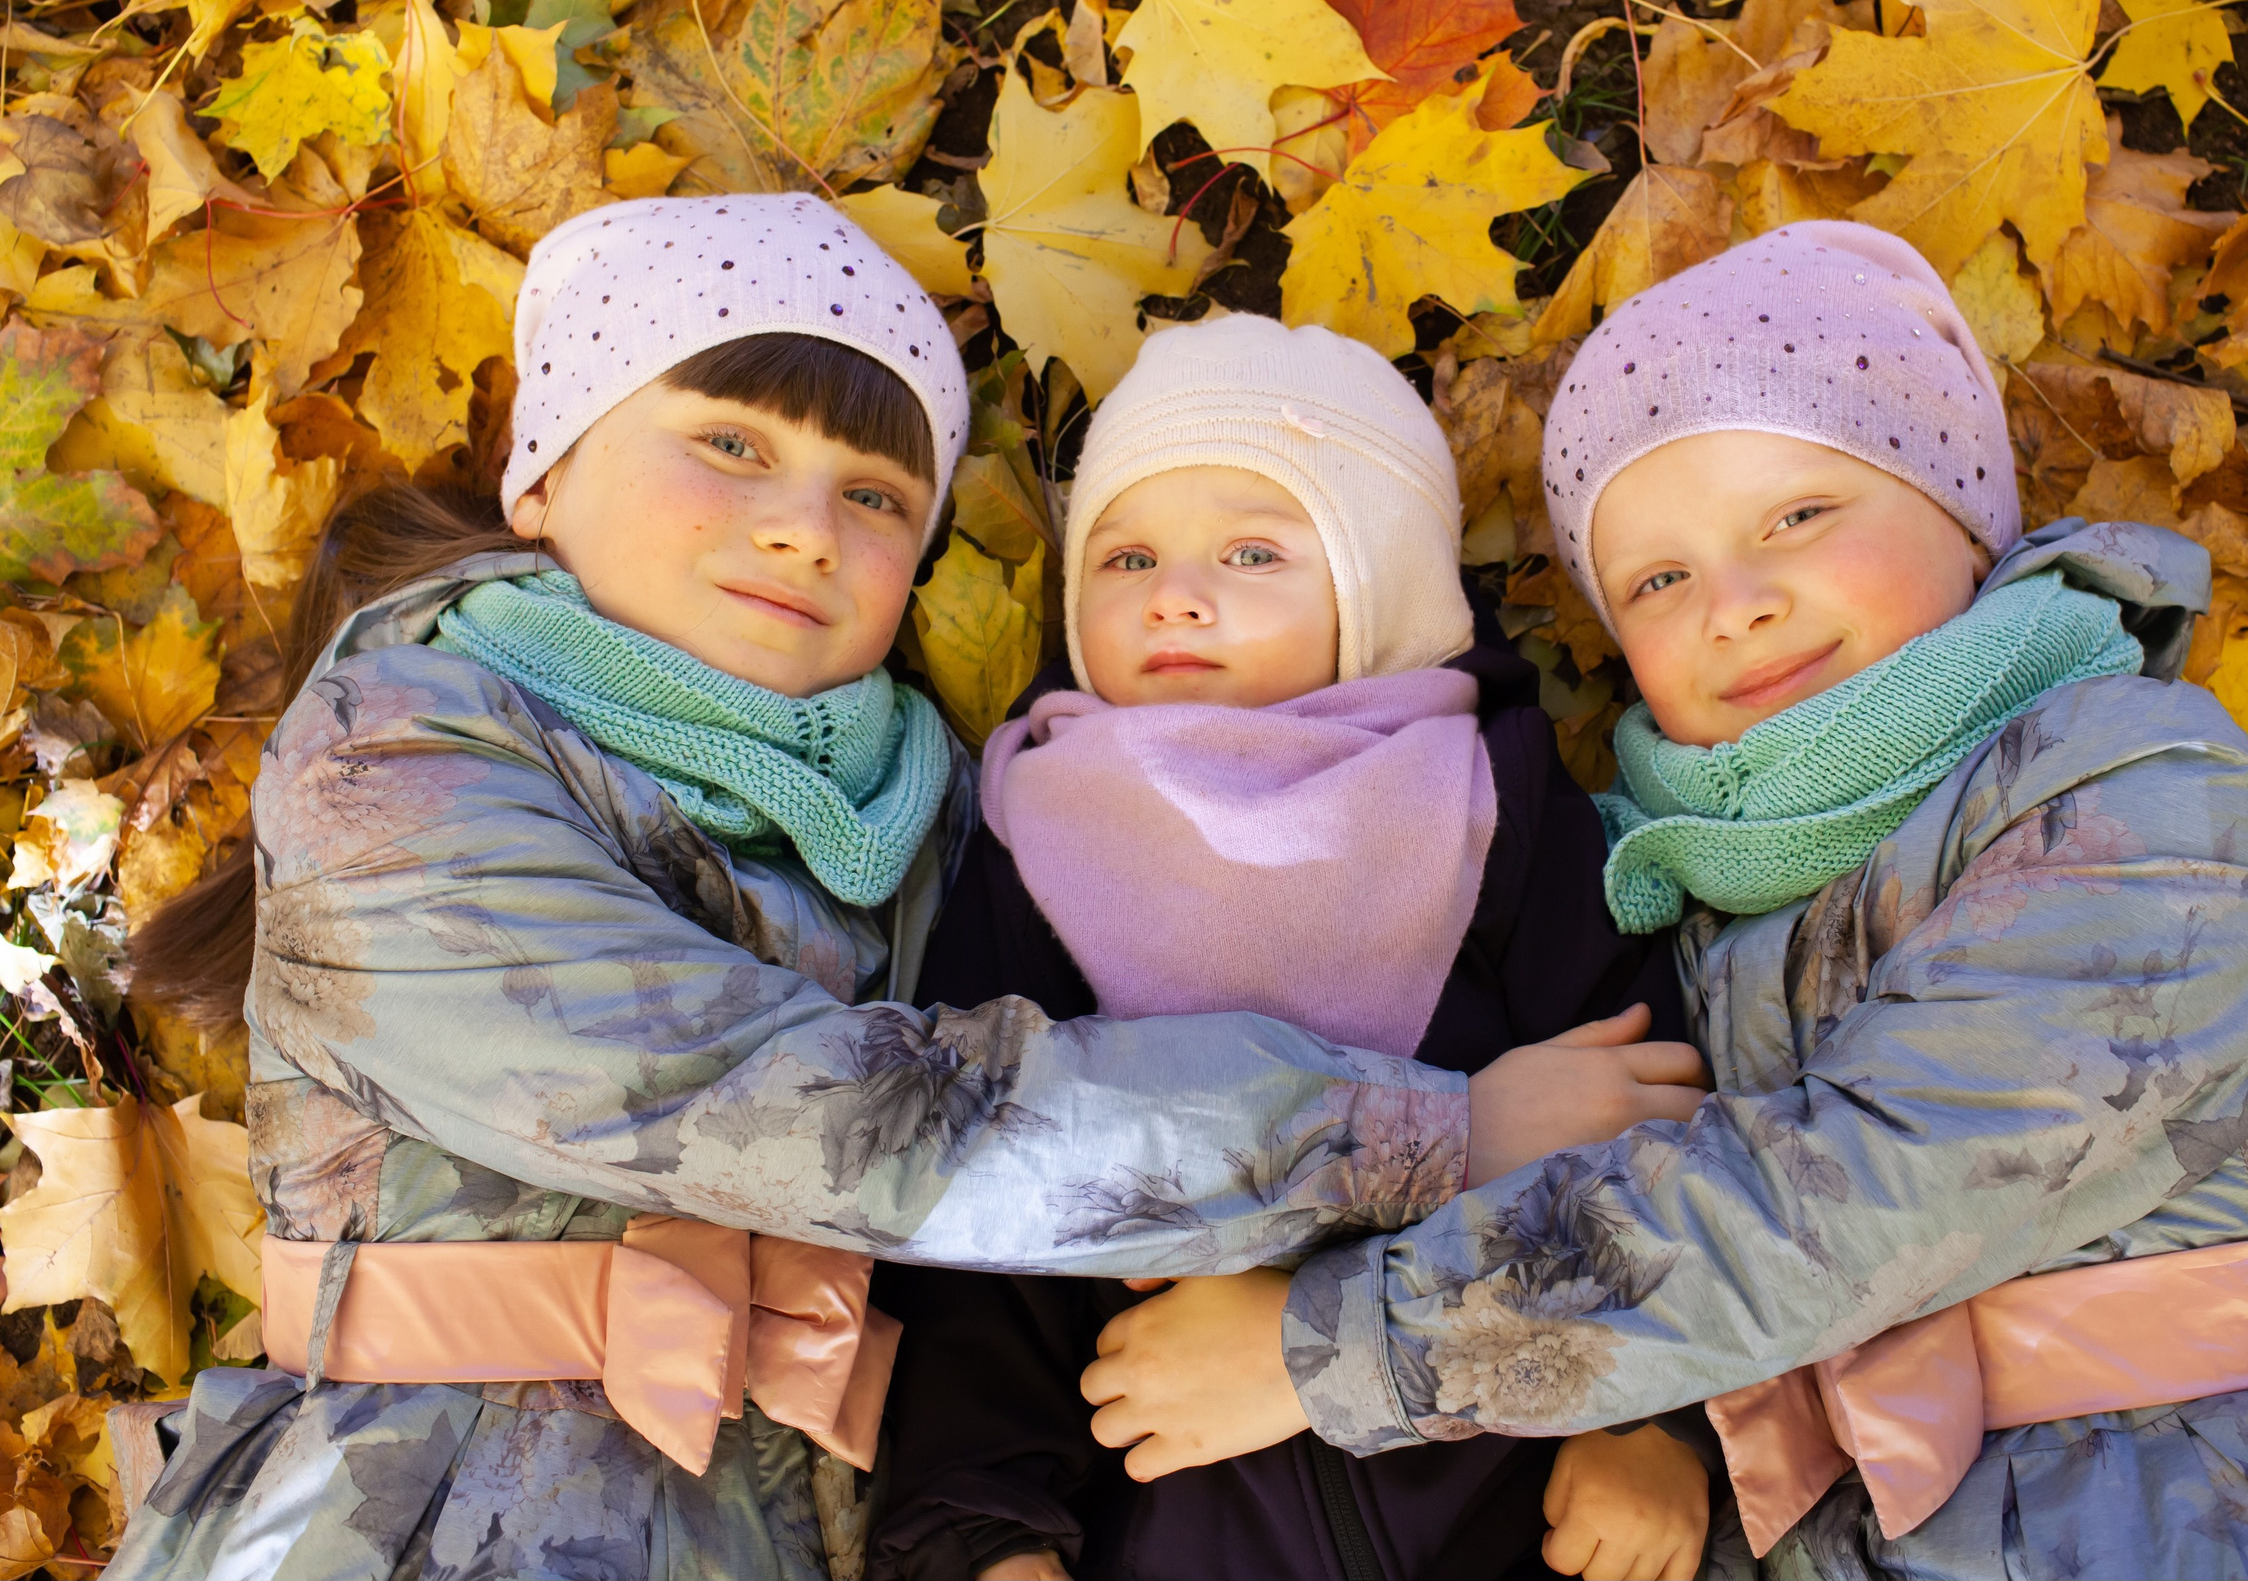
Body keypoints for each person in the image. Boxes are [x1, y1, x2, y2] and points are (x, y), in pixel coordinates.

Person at [102, 195, 1705, 1581]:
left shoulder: (930, 821)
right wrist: (1428, 1129)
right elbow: (820, 1116)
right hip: (426, 1511)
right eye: (729, 444)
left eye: (875, 497)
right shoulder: (407, 753)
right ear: (543, 475)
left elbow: (984, 1293)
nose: (801, 529)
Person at [1075, 223, 2248, 1578]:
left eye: (1798, 513)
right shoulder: (1661, 881)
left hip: (2181, 1495)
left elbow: (1874, 1185)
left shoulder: (2117, 771)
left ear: (1962, 511)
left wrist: (1338, 1347)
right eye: (1656, 578)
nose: (1736, 599)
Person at [867, 316, 1711, 1581]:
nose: (1175, 592)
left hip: (1500, 1497)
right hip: (1169, 1520)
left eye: (1253, 552)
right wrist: (984, 1532)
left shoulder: (1501, 815)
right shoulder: (1034, 839)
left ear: (1382, 593)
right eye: (1127, 554)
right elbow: (976, 1230)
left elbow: (1654, 1125)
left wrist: (1653, 1418)